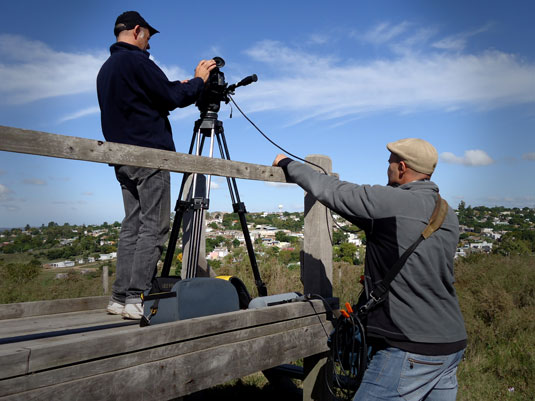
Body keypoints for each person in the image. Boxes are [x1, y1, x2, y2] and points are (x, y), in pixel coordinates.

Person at [273, 138, 467, 401]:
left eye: (389, 163)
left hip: (409, 347)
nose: (386, 168)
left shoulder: (390, 201)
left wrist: (286, 163)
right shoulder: (446, 212)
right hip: (451, 343)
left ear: (401, 167)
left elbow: (328, 188)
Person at [97, 11, 216, 319]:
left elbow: (146, 98)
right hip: (149, 156)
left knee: (132, 225)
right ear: (138, 30)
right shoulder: (137, 62)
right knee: (154, 226)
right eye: (148, 37)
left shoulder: (107, 68)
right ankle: (137, 297)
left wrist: (179, 85)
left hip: (121, 158)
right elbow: (170, 97)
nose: (149, 45)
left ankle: (119, 298)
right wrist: (199, 80)